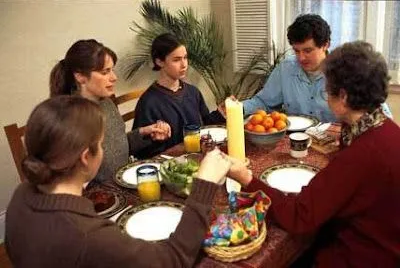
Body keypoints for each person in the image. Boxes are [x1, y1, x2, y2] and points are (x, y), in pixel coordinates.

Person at [5, 95, 252, 268]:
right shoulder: (88, 237)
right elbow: (173, 260)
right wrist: (204, 186)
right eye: (101, 145)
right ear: (85, 158)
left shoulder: (22, 195)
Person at [240, 41, 400, 267]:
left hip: (360, 255)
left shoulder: (361, 154)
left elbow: (299, 216)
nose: (325, 94)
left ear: (342, 96)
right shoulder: (386, 130)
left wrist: (246, 178)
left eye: (327, 89)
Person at [49, 39, 171, 182]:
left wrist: (145, 133)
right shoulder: (68, 119)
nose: (114, 77)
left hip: (123, 183)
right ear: (80, 76)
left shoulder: (106, 103)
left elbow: (116, 149)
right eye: (105, 72)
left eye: (112, 70)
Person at [240, 14, 392, 122]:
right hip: (295, 144)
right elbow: (263, 102)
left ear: (325, 45)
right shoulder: (286, 68)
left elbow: (382, 117)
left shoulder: (346, 71)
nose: (301, 58)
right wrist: (236, 108)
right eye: (296, 51)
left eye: (308, 50)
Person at [132, 33, 226, 159]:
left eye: (185, 58)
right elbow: (141, 152)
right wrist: (156, 139)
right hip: (172, 168)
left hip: (199, 158)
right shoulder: (148, 102)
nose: (184, 65)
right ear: (159, 61)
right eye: (176, 60)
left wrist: (220, 113)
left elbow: (203, 126)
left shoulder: (193, 92)